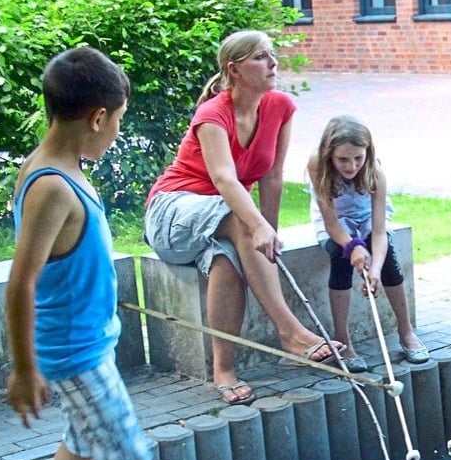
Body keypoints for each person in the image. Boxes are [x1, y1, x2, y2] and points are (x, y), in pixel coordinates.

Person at [145, 30, 344, 405]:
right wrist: (256, 226)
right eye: (260, 57)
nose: (273, 63)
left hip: (219, 220)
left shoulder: (280, 107)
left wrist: (269, 233)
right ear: (235, 70)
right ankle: (290, 331)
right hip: (173, 213)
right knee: (242, 223)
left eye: (272, 54)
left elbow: (271, 177)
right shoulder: (212, 114)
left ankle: (224, 370)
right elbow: (223, 178)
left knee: (228, 261)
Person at [5, 47, 152, 460]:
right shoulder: (53, 186)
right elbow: (20, 282)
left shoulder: (55, 166)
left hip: (84, 341)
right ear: (96, 117)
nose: (116, 133)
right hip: (75, 353)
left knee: (82, 438)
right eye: (117, 122)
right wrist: (25, 370)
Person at [307, 115, 429, 372]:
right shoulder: (317, 166)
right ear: (329, 154)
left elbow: (380, 231)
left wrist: (373, 270)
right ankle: (343, 340)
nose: (351, 166)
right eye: (343, 159)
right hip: (335, 221)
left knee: (388, 266)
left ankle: (406, 332)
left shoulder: (376, 172)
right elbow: (331, 224)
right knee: (340, 257)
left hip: (366, 220)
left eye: (358, 158)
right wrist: (352, 246)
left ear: (367, 153)